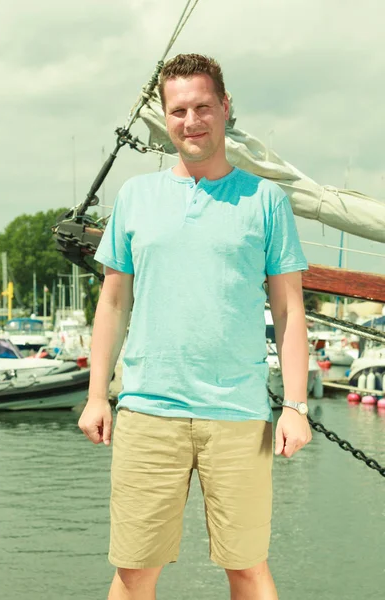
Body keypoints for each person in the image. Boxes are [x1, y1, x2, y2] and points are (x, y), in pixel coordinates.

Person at [78, 53, 312, 600]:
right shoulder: (136, 197)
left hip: (238, 416)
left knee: (248, 568)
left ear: (226, 108)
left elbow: (290, 312)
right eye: (179, 110)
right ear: (166, 117)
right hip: (147, 410)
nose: (192, 120)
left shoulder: (267, 201)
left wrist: (295, 406)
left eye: (203, 106)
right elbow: (112, 304)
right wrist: (96, 396)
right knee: (134, 571)